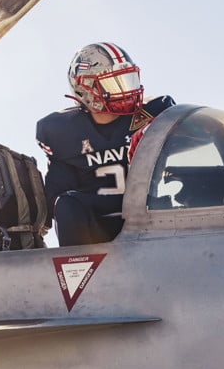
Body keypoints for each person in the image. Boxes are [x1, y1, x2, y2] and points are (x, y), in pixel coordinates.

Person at [36, 42, 175, 246]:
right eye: (114, 84)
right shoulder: (62, 132)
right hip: (100, 226)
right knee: (67, 205)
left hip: (155, 214)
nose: (126, 91)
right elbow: (57, 201)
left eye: (128, 80)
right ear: (86, 88)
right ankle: (81, 271)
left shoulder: (155, 112)